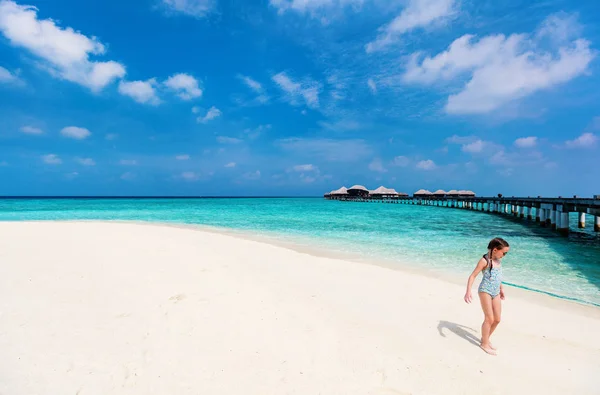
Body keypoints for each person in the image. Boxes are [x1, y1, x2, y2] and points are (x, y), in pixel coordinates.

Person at [464, 237, 510, 355]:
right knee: (489, 318)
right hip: (485, 290)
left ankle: (485, 339)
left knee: (497, 319)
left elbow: (498, 276)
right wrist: (468, 291)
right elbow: (473, 276)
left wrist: (501, 289)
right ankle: (484, 344)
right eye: (504, 253)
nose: (504, 255)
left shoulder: (498, 260)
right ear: (495, 250)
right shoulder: (485, 261)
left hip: (496, 292)